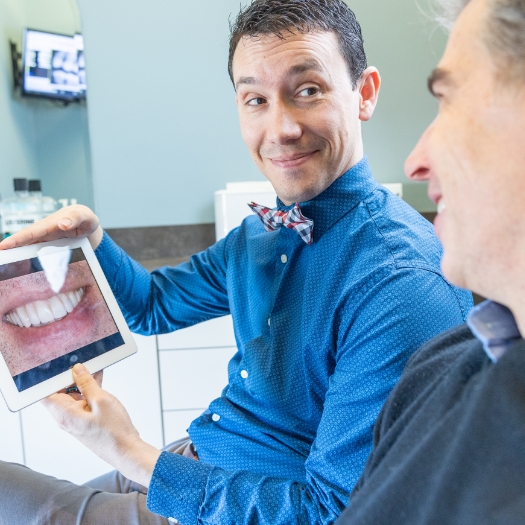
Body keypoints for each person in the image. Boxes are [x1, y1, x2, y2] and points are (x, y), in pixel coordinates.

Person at [0, 1, 472, 524]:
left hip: (232, 505)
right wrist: (95, 238)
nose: (281, 128)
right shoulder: (259, 235)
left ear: (364, 93)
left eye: (308, 90)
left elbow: (332, 513)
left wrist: (127, 450)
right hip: (194, 462)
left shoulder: (402, 285)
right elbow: (152, 306)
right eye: (255, 99)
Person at [335, 0, 525, 523]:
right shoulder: (439, 368)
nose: (416, 161)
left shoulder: (403, 281)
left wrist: (137, 456)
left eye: (450, 101)